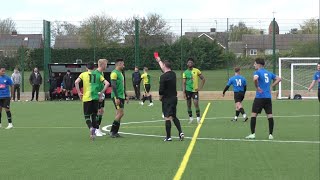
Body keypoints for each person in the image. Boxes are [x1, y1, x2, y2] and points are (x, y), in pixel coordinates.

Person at [245, 58, 281, 140]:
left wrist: (257, 87)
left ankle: (252, 134)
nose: (254, 65)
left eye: (255, 64)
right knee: (270, 115)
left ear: (259, 65)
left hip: (259, 97)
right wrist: (271, 86)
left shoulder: (257, 72)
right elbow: (279, 78)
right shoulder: (268, 73)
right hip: (268, 98)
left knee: (254, 114)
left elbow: (255, 79)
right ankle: (271, 135)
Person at [75, 62, 109, 140]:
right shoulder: (98, 75)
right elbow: (107, 83)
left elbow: (76, 82)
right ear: (94, 68)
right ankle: (93, 135)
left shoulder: (83, 74)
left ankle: (91, 128)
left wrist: (79, 93)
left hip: (87, 97)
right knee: (94, 115)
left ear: (87, 68)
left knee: (87, 116)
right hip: (95, 97)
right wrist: (101, 92)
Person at [155, 55, 184, 142]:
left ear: (164, 66)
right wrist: (159, 60)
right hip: (174, 98)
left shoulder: (163, 77)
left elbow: (161, 90)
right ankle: (180, 132)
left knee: (167, 117)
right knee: (174, 116)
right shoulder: (173, 74)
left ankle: (168, 137)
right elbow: (164, 69)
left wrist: (160, 97)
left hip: (166, 99)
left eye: (162, 65)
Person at [182, 58, 205, 124]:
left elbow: (203, 79)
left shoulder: (197, 70)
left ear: (193, 64)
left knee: (196, 103)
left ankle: (198, 119)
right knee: (189, 104)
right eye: (189, 62)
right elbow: (184, 83)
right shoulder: (185, 73)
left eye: (191, 62)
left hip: (195, 91)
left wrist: (200, 88)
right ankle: (191, 118)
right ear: (187, 64)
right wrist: (183, 92)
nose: (190, 63)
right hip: (188, 90)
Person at [109, 59, 128, 138]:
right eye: (123, 64)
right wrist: (116, 97)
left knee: (118, 114)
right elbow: (113, 86)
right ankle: (112, 131)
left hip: (121, 96)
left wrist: (125, 95)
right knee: (121, 113)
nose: (124, 66)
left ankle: (115, 132)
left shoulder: (120, 73)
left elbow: (122, 86)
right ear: (119, 64)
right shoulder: (114, 73)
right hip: (117, 96)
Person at [95, 59, 110, 137]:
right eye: (106, 64)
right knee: (98, 111)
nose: (106, 66)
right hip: (97, 95)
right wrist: (99, 93)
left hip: (101, 95)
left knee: (101, 111)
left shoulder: (101, 73)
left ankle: (98, 128)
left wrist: (102, 93)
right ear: (102, 65)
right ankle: (96, 129)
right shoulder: (96, 73)